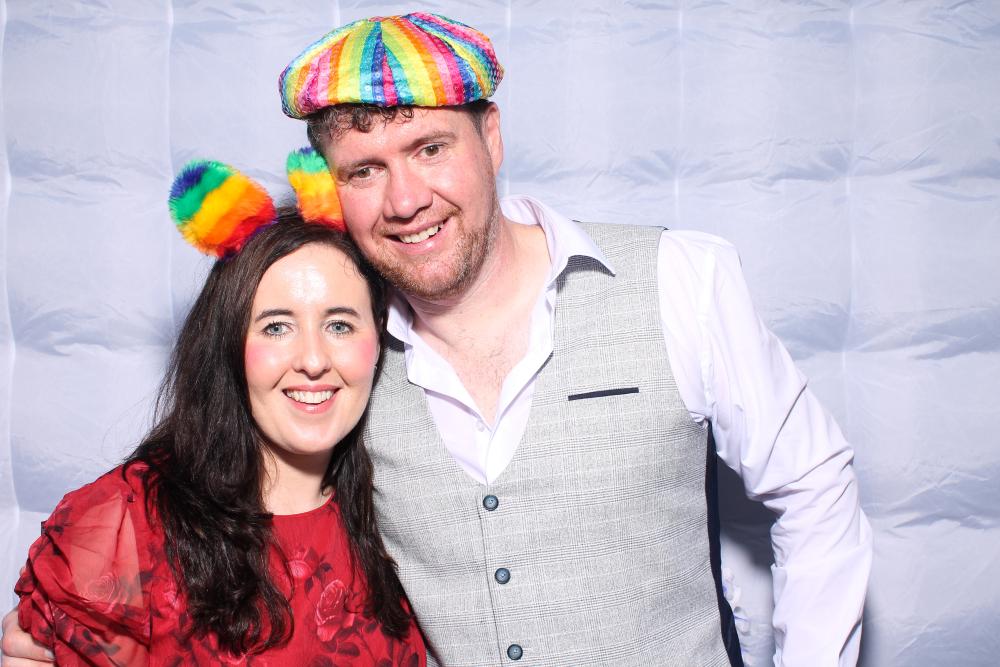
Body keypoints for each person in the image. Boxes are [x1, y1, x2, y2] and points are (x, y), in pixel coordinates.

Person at [4, 11, 872, 667]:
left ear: (491, 136)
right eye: (365, 170)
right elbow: (219, 480)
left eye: (430, 148)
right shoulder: (340, 355)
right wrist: (72, 611)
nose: (405, 198)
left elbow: (814, 485)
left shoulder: (680, 277)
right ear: (332, 187)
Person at [2, 160, 425, 665]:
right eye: (275, 327)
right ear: (228, 345)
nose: (313, 360)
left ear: (379, 340)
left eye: (339, 325)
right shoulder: (129, 527)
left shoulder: (399, 518)